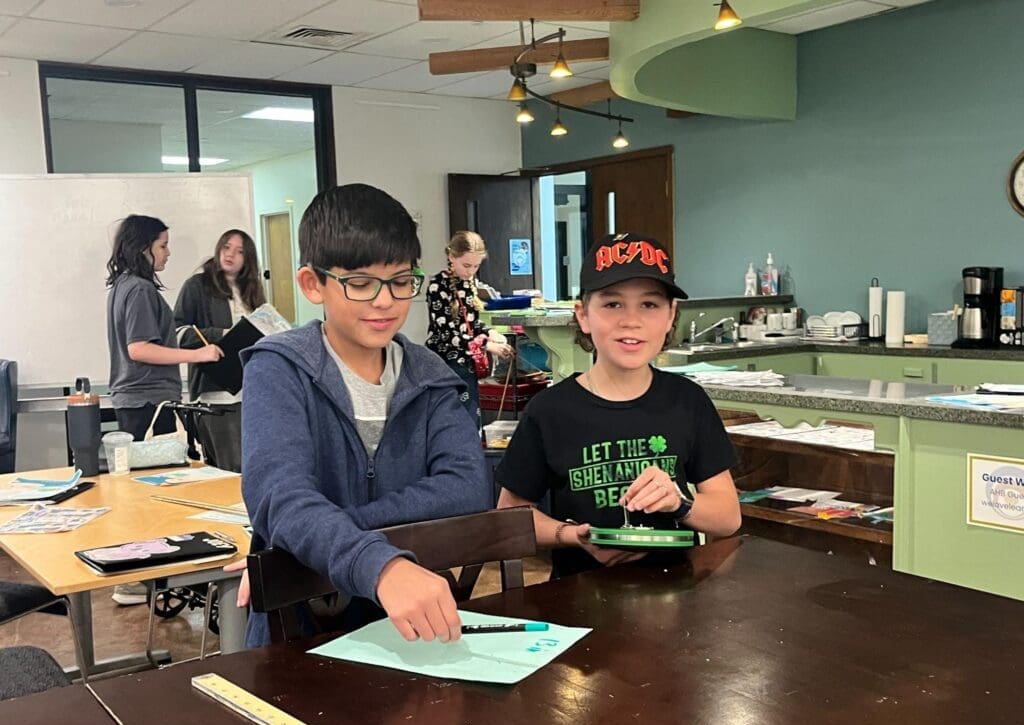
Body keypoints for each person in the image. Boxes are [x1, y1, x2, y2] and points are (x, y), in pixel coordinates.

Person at [239, 184, 491, 647]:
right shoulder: (278, 368)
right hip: (297, 641)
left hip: (412, 634)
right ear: (312, 284)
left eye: (400, 281)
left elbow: (468, 487)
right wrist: (379, 563)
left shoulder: (430, 374)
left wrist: (323, 532)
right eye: (359, 283)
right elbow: (281, 497)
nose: (385, 302)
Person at [495, 233, 741, 580]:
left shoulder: (687, 401)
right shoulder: (549, 410)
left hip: (679, 600)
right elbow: (510, 519)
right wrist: (571, 536)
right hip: (578, 600)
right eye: (612, 304)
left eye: (649, 305)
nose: (631, 320)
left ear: (671, 315)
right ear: (583, 315)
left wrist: (680, 502)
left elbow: (728, 516)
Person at [105, 214, 223, 605]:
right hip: (146, 401)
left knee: (145, 494)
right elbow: (139, 348)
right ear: (144, 249)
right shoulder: (137, 290)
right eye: (163, 246)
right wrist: (197, 354)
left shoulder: (124, 286)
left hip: (139, 400)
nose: (168, 253)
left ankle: (142, 576)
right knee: (150, 496)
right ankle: (134, 580)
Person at [174, 229, 266, 472]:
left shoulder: (252, 291)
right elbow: (176, 333)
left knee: (253, 466)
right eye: (226, 247)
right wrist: (221, 334)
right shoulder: (198, 286)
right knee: (230, 469)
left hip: (250, 391)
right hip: (215, 393)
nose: (230, 255)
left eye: (239, 251)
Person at [425, 231, 514, 425]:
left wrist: (490, 333)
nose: (470, 271)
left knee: (472, 417)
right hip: (445, 364)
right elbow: (448, 335)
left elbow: (471, 324)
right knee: (452, 419)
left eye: (476, 266)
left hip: (468, 362)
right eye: (466, 265)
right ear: (451, 256)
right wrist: (485, 347)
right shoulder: (437, 286)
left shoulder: (469, 283)